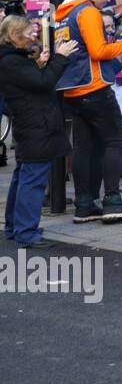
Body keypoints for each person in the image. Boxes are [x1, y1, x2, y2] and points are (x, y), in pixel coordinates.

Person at [52, 0, 122, 224]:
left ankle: (84, 203)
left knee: (83, 147)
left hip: (72, 89)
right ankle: (112, 200)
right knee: (114, 141)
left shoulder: (64, 14)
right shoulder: (88, 11)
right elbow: (99, 50)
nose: (107, 0)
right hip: (94, 87)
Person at [0, 16, 80, 249]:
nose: (33, 36)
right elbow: (43, 83)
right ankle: (26, 232)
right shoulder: (11, 62)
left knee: (23, 176)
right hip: (36, 124)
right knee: (32, 180)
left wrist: (41, 64)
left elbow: (31, 82)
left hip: (30, 123)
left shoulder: (12, 59)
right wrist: (60, 58)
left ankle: (15, 227)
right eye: (29, 32)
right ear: (15, 36)